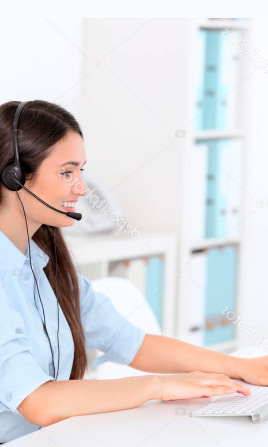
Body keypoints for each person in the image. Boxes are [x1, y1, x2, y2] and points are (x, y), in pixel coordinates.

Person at [0, 100, 266, 444]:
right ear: (14, 177)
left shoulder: (43, 263)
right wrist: (157, 386)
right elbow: (38, 403)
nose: (81, 188)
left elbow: (131, 342)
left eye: (81, 170)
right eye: (67, 172)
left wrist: (240, 367)